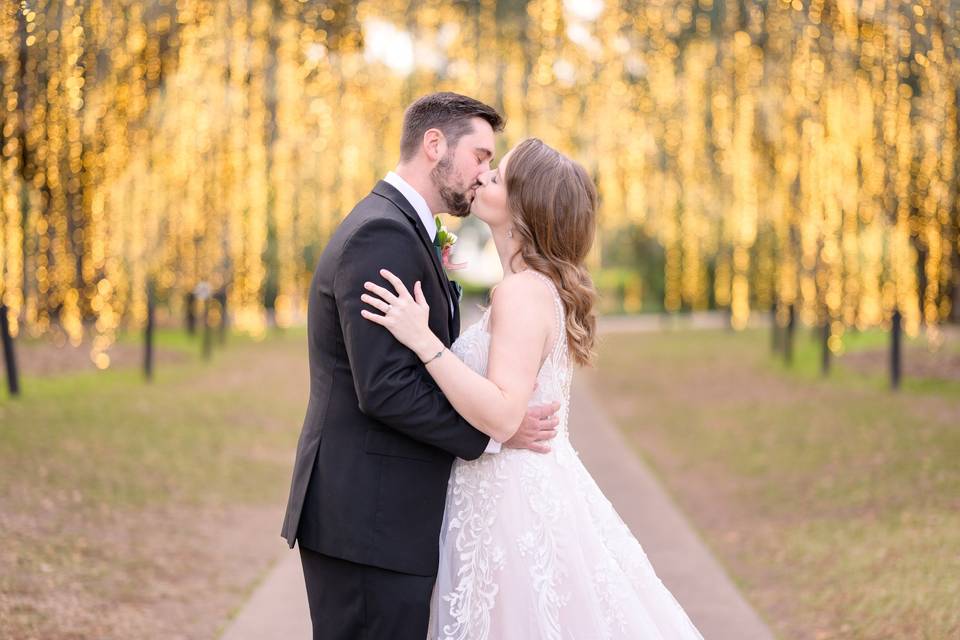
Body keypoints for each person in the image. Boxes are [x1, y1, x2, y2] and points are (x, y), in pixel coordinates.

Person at [361, 138, 705, 639]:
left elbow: (502, 415)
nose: (482, 176)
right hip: (509, 489)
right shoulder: (534, 286)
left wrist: (422, 340)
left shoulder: (521, 292)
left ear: (525, 210)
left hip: (510, 504)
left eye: (497, 176)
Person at [280, 93, 561, 640]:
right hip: (367, 520)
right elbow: (385, 388)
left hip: (381, 520)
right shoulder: (381, 233)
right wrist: (496, 432)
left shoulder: (401, 227)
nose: (484, 174)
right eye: (481, 156)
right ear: (435, 145)